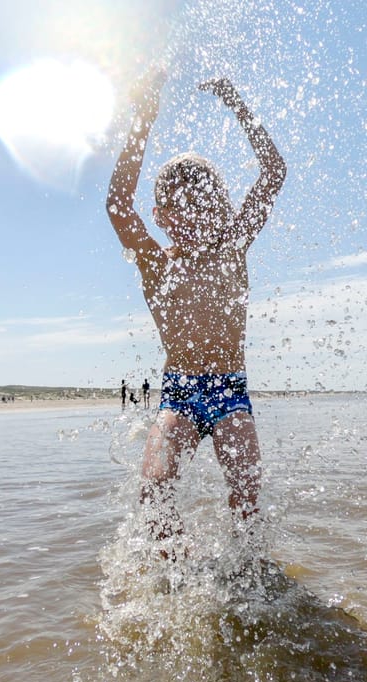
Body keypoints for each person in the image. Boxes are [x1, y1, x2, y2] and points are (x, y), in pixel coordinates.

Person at [106, 70, 286, 550]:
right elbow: (118, 205)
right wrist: (144, 114)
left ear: (220, 207)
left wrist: (238, 105)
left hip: (231, 392)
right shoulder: (155, 264)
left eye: (201, 205)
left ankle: (249, 577)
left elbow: (274, 172)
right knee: (154, 494)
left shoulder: (231, 247)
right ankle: (180, 576)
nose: (191, 217)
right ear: (161, 216)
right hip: (180, 392)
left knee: (246, 492)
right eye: (177, 208)